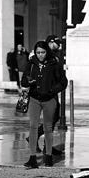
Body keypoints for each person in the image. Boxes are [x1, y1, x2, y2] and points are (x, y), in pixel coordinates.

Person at [21, 40, 68, 168]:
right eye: (38, 52)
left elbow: (63, 82)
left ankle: (48, 156)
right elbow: (23, 81)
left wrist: (52, 90)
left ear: (47, 52)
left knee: (48, 128)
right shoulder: (31, 63)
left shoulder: (54, 64)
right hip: (34, 99)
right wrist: (29, 81)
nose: (40, 55)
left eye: (42, 52)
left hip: (49, 100)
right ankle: (32, 158)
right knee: (33, 126)